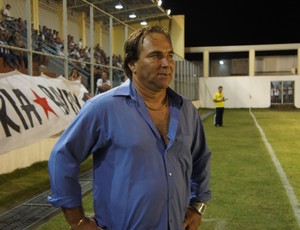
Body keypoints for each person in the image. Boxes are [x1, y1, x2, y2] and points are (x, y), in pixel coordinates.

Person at [48, 25, 212, 230]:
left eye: (169, 56)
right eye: (155, 56)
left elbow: (201, 159)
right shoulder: (103, 107)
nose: (166, 63)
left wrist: (197, 206)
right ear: (132, 64)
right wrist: (77, 220)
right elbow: (63, 156)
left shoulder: (186, 110)